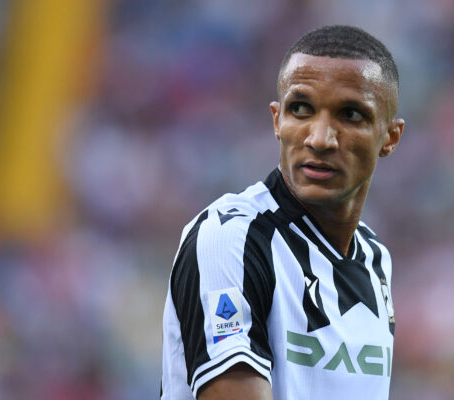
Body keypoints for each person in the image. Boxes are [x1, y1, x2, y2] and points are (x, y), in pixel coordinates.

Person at [161, 25, 405, 400]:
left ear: (390, 137)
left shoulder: (375, 259)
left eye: (351, 114)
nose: (320, 138)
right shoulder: (233, 238)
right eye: (301, 109)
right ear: (277, 121)